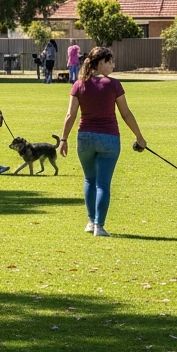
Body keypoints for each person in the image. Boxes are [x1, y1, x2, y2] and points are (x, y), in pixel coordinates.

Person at [58, 45, 148, 237]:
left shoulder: (79, 84)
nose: (113, 65)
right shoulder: (114, 84)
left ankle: (91, 222)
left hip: (84, 138)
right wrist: (139, 137)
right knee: (103, 184)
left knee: (90, 180)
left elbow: (70, 115)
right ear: (101, 63)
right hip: (109, 138)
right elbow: (126, 114)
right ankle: (99, 225)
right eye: (111, 61)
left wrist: (63, 139)